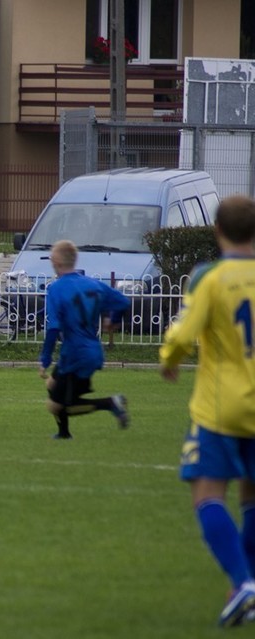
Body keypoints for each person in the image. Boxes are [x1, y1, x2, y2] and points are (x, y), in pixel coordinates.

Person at [159, 194, 255, 627]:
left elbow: (184, 332)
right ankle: (244, 587)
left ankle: (245, 583)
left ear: (217, 231)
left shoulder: (210, 278)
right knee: (251, 497)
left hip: (221, 408)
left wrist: (169, 359)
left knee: (207, 493)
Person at [38, 239, 131, 439]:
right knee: (51, 385)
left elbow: (53, 328)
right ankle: (64, 433)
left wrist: (45, 358)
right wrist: (113, 320)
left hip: (75, 354)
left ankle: (110, 403)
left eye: (52, 259)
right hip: (91, 351)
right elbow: (123, 301)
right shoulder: (93, 284)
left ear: (58, 262)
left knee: (56, 405)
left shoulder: (56, 288)